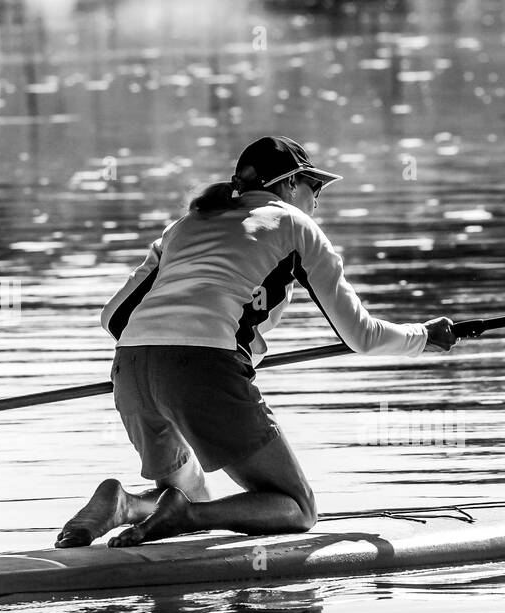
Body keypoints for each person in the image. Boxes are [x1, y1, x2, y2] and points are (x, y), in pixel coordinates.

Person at [56, 135, 456, 548]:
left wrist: (177, 353)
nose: (316, 201)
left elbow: (114, 317)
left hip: (131, 369)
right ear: (288, 185)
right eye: (314, 187)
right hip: (203, 370)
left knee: (188, 486)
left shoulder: (184, 226)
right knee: (297, 507)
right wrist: (423, 336)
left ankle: (124, 505)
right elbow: (362, 337)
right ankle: (188, 517)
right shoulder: (296, 225)